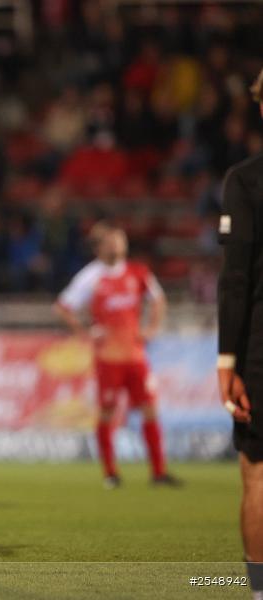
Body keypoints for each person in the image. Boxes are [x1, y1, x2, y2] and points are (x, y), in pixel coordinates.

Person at [55, 224, 179, 489]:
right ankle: (110, 473)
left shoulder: (138, 272)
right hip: (108, 357)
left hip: (135, 355)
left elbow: (158, 299)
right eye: (110, 242)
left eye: (118, 241)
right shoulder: (90, 277)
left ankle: (158, 472)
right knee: (108, 412)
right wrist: (86, 331)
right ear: (99, 248)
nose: (115, 246)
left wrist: (152, 328)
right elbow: (63, 307)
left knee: (150, 409)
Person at [216, 67, 263, 600]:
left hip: (258, 348)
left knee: (256, 473)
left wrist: (226, 362)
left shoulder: (247, 180)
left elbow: (236, 278)